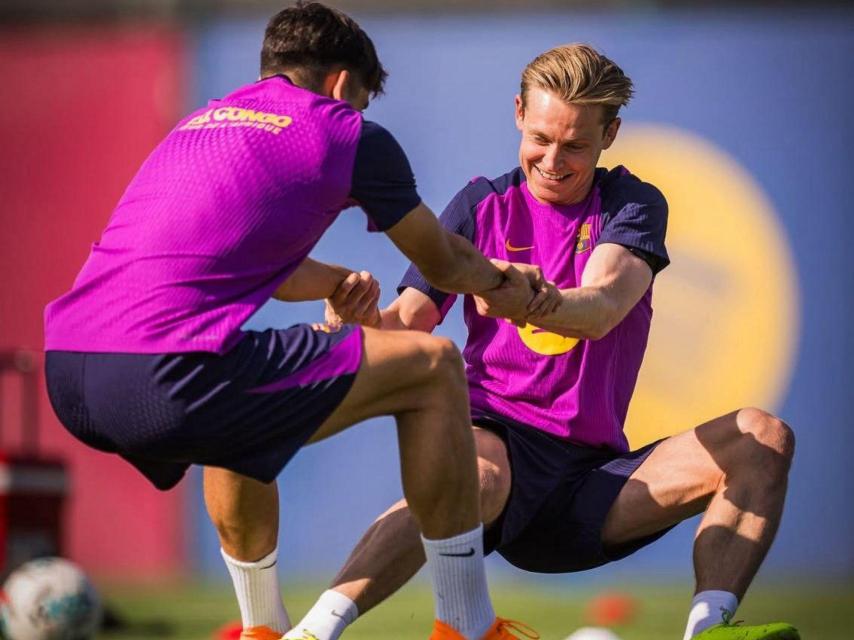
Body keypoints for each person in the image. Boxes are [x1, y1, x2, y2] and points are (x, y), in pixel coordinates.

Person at [41, 3, 549, 640]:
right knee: (433, 367)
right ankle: (469, 628)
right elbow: (443, 261)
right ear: (342, 86)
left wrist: (337, 283)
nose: (357, 113)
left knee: (238, 415)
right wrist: (506, 282)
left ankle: (260, 631)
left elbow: (254, 261)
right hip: (163, 375)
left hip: (69, 370)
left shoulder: (200, 125)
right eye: (360, 101)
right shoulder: (343, 130)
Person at [286, 44, 799, 640]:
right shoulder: (481, 205)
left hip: (595, 481)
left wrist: (525, 298)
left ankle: (708, 630)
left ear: (610, 134)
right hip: (496, 445)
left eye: (576, 145)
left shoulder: (631, 203)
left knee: (763, 438)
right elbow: (410, 321)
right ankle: (312, 633)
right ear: (517, 115)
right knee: (473, 475)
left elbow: (603, 305)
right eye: (540, 138)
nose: (553, 160)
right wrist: (356, 323)